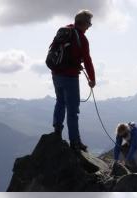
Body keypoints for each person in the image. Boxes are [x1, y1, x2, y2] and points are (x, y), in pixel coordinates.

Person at [51, 9, 97, 152]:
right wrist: (92, 79)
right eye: (89, 24)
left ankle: (57, 132)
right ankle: (75, 142)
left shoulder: (64, 32)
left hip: (56, 74)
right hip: (70, 77)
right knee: (73, 110)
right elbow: (87, 60)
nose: (89, 27)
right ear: (83, 23)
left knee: (60, 101)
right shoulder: (81, 38)